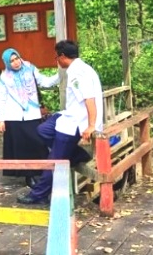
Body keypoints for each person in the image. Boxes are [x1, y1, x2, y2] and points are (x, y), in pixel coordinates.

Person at [18, 40, 103, 204]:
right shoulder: (79, 68)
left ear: (63, 56)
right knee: (43, 130)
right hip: (69, 115)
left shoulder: (78, 73)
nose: (56, 60)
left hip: (76, 122)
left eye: (57, 57)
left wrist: (91, 125)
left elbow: (89, 100)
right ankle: (77, 154)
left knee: (55, 159)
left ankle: (38, 195)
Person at [0, 48, 59, 187]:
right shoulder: (5, 77)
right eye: (11, 61)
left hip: (32, 114)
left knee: (38, 143)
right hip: (13, 117)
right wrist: (1, 119)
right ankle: (28, 176)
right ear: (7, 63)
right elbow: (2, 98)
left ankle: (42, 172)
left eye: (17, 58)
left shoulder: (30, 68)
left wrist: (61, 74)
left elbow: (45, 82)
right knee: (21, 148)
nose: (15, 62)